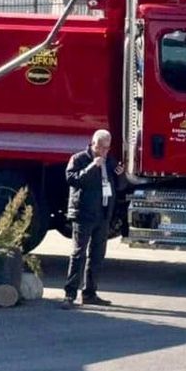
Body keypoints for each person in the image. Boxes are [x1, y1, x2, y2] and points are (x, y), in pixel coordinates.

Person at [62, 128, 118, 307]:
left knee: (97, 256)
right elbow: (73, 180)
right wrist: (92, 166)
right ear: (93, 144)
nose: (104, 152)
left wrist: (119, 172)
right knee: (79, 254)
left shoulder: (109, 161)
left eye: (107, 148)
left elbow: (118, 183)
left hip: (102, 214)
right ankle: (69, 295)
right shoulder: (79, 159)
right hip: (83, 213)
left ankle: (90, 293)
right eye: (101, 147)